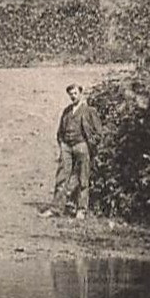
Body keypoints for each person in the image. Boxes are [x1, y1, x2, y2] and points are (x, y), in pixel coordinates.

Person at [49, 83, 102, 218]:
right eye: (70, 94)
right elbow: (60, 130)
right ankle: (56, 208)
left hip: (82, 146)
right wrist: (62, 144)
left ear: (80, 93)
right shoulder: (67, 111)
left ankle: (81, 210)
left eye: (75, 93)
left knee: (83, 178)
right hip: (67, 146)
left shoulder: (89, 111)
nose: (73, 96)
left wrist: (89, 144)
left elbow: (98, 133)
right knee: (62, 177)